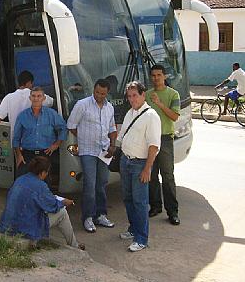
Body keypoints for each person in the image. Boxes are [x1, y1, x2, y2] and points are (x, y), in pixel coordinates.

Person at [0, 156, 84, 250]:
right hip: (23, 231)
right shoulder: (40, 186)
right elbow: (52, 206)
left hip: (6, 226)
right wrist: (64, 202)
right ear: (42, 172)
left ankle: (74, 245)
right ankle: (74, 245)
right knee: (62, 212)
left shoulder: (20, 179)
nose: (47, 174)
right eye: (47, 172)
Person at [67, 78, 117, 233]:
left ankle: (101, 215)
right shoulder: (82, 105)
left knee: (102, 183)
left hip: (104, 151)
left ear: (107, 93)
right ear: (93, 90)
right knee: (89, 184)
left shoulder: (110, 108)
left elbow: (112, 128)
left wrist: (112, 145)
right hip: (87, 150)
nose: (99, 96)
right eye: (97, 92)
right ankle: (87, 217)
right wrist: (84, 137)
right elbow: (71, 125)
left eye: (103, 93)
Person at [118, 81, 161, 252]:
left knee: (140, 202)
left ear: (143, 95)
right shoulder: (130, 113)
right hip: (125, 161)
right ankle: (133, 228)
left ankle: (141, 238)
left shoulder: (151, 116)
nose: (131, 99)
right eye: (129, 96)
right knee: (128, 199)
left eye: (135, 95)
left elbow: (153, 146)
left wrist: (147, 169)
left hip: (139, 164)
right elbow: (122, 136)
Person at [146, 64, 181, 225]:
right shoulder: (146, 95)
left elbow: (174, 116)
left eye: (159, 75)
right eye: (153, 75)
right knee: (151, 175)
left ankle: (172, 212)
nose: (156, 78)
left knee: (167, 177)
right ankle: (155, 206)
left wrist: (159, 103)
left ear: (165, 76)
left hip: (165, 139)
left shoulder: (173, 94)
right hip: (149, 140)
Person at [13, 86, 67, 181]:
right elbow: (16, 138)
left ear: (43, 98)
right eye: (33, 96)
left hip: (45, 154)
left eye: (39, 96)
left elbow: (63, 128)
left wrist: (56, 144)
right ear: (30, 98)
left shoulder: (51, 114)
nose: (36, 99)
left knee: (45, 184)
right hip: (27, 155)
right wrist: (18, 155)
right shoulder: (22, 116)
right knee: (24, 183)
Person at [0, 70, 53, 138]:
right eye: (31, 83)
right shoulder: (35, 96)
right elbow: (51, 102)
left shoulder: (8, 97)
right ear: (29, 83)